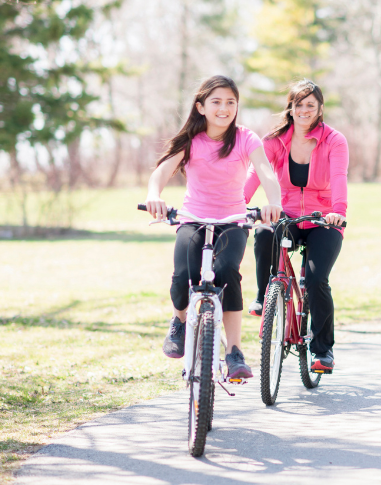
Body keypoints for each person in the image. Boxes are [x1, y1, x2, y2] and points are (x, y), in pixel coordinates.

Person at [145, 75, 283, 380]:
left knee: (227, 273)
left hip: (232, 221)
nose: (224, 108)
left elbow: (266, 173)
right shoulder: (190, 141)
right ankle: (179, 322)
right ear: (201, 107)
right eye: (216, 102)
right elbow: (161, 173)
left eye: (230, 102)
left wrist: (274, 201)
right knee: (183, 275)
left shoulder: (246, 138)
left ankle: (234, 352)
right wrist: (154, 195)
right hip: (193, 219)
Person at [244, 79, 348, 374]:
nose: (304, 110)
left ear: (320, 108)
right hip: (285, 214)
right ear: (290, 107)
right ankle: (265, 295)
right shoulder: (274, 141)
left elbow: (339, 177)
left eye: (310, 105)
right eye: (298, 104)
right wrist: (238, 205)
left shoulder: (333, 140)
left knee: (317, 281)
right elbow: (254, 175)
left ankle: (323, 350)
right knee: (264, 231)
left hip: (323, 219)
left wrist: (337, 212)